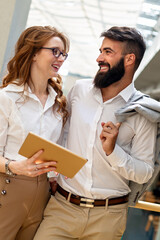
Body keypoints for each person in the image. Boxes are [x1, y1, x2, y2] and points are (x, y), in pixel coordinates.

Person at [34, 26, 157, 240]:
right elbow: (62, 136)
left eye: (108, 52)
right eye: (101, 51)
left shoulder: (142, 111)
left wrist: (112, 151)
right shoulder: (79, 91)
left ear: (129, 59)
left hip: (108, 218)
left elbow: (145, 172)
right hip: (62, 208)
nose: (99, 58)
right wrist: (53, 174)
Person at [0, 25, 69, 240]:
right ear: (33, 54)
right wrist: (14, 166)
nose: (61, 58)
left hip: (43, 194)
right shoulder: (6, 98)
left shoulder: (58, 104)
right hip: (8, 187)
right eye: (55, 51)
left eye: (64, 54)